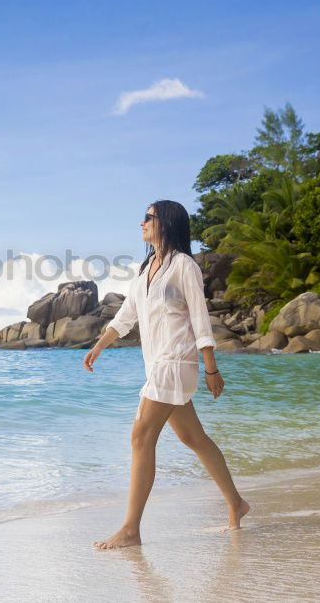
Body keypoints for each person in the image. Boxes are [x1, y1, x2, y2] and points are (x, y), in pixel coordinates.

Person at [83, 200, 249, 549]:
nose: (141, 222)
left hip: (176, 363)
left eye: (149, 217)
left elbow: (200, 318)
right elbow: (126, 315)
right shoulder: (146, 269)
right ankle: (237, 504)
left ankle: (131, 529)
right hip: (159, 365)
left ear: (167, 223)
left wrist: (211, 368)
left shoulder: (184, 266)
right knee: (194, 439)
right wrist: (99, 345)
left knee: (141, 437)